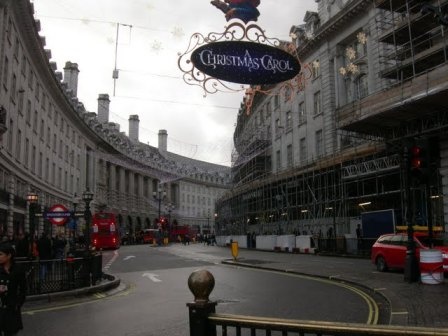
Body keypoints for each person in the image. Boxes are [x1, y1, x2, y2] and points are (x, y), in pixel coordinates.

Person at [0, 242, 26, 336]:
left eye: (1, 254)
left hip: (11, 310)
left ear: (9, 255)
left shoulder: (18, 270)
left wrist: (17, 305)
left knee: (10, 333)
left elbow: (23, 290)